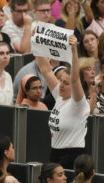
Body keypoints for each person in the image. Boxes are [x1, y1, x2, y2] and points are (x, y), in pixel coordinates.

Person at [35, 35, 90, 169]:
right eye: (60, 80)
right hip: (55, 153)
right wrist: (37, 41)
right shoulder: (60, 96)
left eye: (66, 83)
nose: (61, 85)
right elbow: (46, 70)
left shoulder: (78, 104)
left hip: (73, 157)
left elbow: (75, 79)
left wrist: (74, 50)